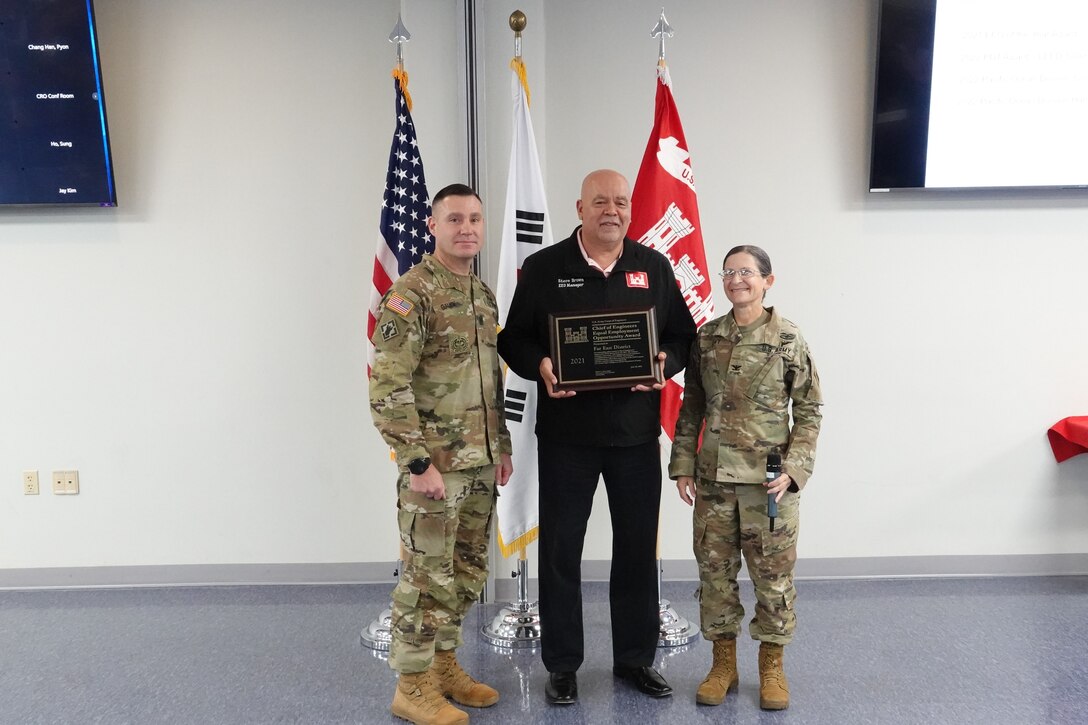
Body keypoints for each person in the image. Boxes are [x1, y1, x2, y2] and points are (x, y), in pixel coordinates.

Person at [497, 169, 696, 704]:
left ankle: (635, 659)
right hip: (567, 438)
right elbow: (512, 338)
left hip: (634, 438)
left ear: (631, 212)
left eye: (622, 202)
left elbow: (683, 335)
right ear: (579, 208)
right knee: (561, 551)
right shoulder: (544, 268)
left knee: (635, 550)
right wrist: (540, 363)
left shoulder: (652, 266)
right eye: (601, 202)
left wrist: (664, 361)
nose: (613, 210)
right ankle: (562, 665)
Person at [370, 183, 514, 725]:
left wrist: (499, 449)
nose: (467, 228)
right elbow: (388, 386)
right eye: (454, 219)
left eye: (475, 218)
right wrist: (416, 462)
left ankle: (443, 666)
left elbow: (487, 385)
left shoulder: (480, 294)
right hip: (433, 468)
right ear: (433, 226)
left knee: (467, 571)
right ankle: (411, 685)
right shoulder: (413, 293)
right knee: (426, 577)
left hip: (477, 463)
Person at [669, 245, 822, 711]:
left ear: (767, 281)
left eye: (747, 273)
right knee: (715, 577)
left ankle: (772, 668)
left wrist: (796, 470)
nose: (737, 280)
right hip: (714, 482)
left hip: (768, 485)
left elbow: (811, 409)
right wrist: (682, 465)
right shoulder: (708, 337)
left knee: (773, 579)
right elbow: (691, 404)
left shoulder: (788, 339)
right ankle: (723, 665)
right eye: (730, 272)